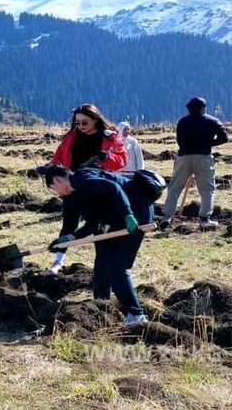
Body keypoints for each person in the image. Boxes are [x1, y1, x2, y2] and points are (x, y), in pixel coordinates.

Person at [45, 165, 153, 325]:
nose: (57, 193)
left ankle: (136, 315)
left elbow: (114, 188)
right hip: (117, 220)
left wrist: (128, 215)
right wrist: (67, 239)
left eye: (54, 188)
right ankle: (101, 307)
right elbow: (91, 225)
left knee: (116, 266)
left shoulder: (82, 179)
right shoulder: (73, 195)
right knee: (102, 262)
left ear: (57, 180)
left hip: (136, 214)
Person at [46, 104, 127, 273]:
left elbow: (121, 161)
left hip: (95, 188)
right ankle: (58, 261)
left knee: (97, 226)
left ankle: (103, 265)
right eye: (77, 123)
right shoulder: (71, 137)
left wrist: (107, 157)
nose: (80, 126)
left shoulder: (109, 138)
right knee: (69, 222)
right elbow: (59, 155)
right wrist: (50, 166)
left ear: (95, 120)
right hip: (71, 185)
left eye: (84, 122)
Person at [160, 97, 229, 230]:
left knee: (175, 188)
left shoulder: (182, 121)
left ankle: (167, 217)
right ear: (204, 108)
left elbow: (179, 140)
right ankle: (204, 219)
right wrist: (209, 144)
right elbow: (224, 138)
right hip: (203, 156)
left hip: (184, 156)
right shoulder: (213, 121)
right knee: (207, 189)